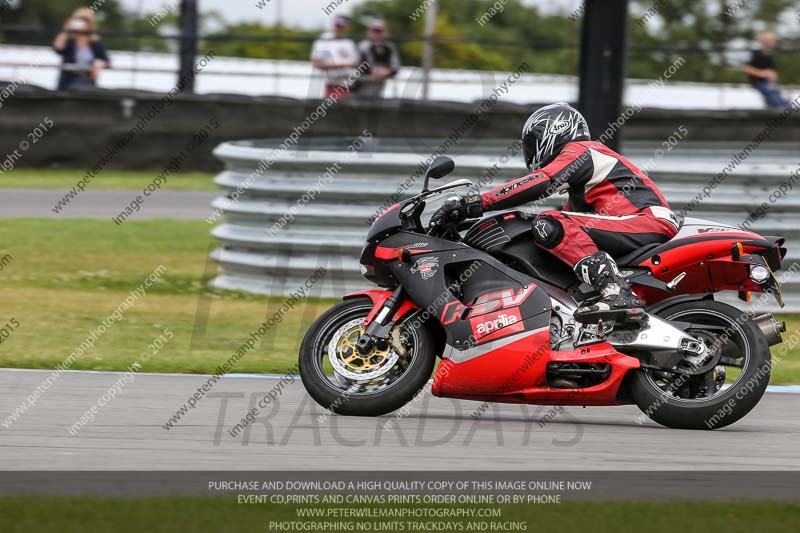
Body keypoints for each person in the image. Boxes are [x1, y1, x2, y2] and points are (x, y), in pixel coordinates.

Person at [430, 103, 680, 325]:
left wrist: (475, 202)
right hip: (636, 223)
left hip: (646, 220)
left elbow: (542, 181)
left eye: (531, 143)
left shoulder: (584, 150)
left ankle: (616, 291)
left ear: (553, 131)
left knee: (550, 223)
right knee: (549, 231)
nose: (530, 153)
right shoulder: (577, 197)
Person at [52, 7, 110, 91]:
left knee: (79, 88)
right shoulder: (69, 41)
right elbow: (58, 48)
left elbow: (107, 60)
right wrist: (65, 30)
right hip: (67, 79)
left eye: (85, 20)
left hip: (86, 80)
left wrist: (99, 66)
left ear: (90, 24)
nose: (82, 23)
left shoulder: (94, 43)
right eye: (79, 20)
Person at [310, 16, 360, 99]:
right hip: (333, 86)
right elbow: (316, 63)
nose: (339, 28)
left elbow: (356, 64)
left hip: (350, 88)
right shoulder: (325, 39)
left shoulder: (349, 42)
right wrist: (342, 65)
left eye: (342, 26)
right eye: (338, 25)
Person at [744, 31, 789, 109]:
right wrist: (762, 73)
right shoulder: (756, 54)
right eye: (770, 41)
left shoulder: (769, 56)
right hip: (758, 83)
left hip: (769, 85)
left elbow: (772, 72)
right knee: (773, 97)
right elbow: (747, 69)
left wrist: (773, 78)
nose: (773, 44)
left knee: (780, 98)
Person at [356, 19, 401, 98]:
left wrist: (388, 72)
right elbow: (358, 65)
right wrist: (373, 71)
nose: (377, 33)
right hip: (362, 86)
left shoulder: (389, 47)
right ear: (370, 31)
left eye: (379, 30)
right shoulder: (363, 46)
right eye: (375, 30)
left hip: (380, 87)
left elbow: (396, 66)